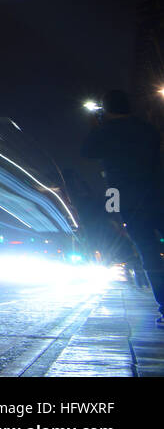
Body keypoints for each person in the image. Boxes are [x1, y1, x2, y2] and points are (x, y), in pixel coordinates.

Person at [82, 89, 164, 326]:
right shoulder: (147, 127)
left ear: (107, 110)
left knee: (149, 253)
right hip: (157, 194)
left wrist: (96, 124)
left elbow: (87, 151)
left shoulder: (106, 132)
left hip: (130, 201)